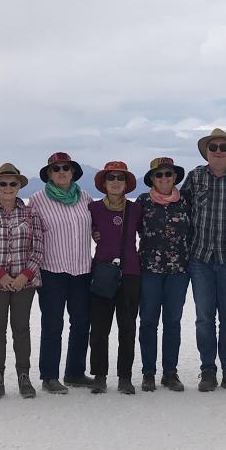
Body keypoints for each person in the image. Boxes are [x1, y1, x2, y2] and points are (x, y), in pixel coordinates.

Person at [180, 128, 226, 392]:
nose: (219, 151)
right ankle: (208, 370)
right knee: (203, 318)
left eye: (224, 147)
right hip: (200, 258)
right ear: (207, 152)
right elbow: (180, 212)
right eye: (214, 147)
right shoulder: (195, 177)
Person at [0, 163, 43, 400]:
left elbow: (38, 249)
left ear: (19, 186)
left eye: (13, 184)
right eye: (3, 183)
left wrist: (25, 275)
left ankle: (24, 375)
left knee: (21, 328)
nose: (8, 187)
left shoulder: (31, 214)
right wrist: (1, 276)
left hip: (25, 282)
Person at [29, 152, 95, 394]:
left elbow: (95, 228)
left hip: (81, 270)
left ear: (73, 171)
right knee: (52, 324)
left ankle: (75, 372)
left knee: (81, 323)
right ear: (49, 174)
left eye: (66, 168)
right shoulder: (37, 200)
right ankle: (49, 376)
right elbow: (32, 235)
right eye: (56, 169)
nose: (61, 172)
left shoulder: (85, 197)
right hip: (52, 271)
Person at [86, 161, 143, 394]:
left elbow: (149, 235)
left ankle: (125, 376)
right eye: (111, 178)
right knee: (99, 328)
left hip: (130, 273)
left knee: (127, 327)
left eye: (120, 178)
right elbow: (81, 231)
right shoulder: (93, 209)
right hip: (102, 272)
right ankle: (99, 375)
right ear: (104, 183)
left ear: (127, 184)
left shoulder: (136, 209)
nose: (116, 182)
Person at [136, 157, 191, 392]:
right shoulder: (142, 202)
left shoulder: (186, 201)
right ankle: (148, 372)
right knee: (148, 321)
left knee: (172, 322)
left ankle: (170, 372)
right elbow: (130, 231)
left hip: (179, 270)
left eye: (168, 174)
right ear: (152, 179)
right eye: (159, 175)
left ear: (175, 177)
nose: (164, 178)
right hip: (149, 270)